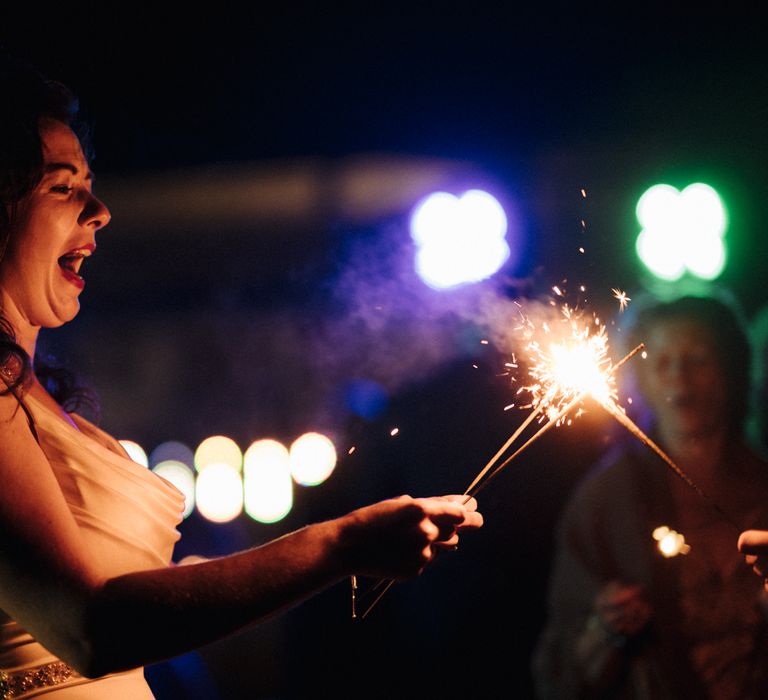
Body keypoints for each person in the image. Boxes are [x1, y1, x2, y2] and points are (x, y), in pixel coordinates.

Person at [0, 56, 482, 698]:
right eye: (62, 187)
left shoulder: (36, 400)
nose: (100, 211)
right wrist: (336, 545)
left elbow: (144, 593)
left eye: (89, 182)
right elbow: (92, 627)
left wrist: (340, 550)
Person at [532, 295, 768, 699]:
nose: (679, 376)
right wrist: (604, 630)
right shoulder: (607, 499)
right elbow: (557, 675)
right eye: (660, 362)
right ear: (639, 381)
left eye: (697, 359)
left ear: (731, 367)